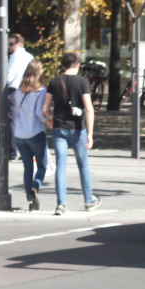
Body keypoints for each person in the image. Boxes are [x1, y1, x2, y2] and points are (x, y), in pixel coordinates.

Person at [44, 51, 99, 215]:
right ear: (78, 65)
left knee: (61, 166)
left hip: (59, 129)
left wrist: (51, 119)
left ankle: (61, 204)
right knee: (83, 165)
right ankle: (89, 200)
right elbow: (88, 108)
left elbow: (45, 109)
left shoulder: (54, 82)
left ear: (62, 66)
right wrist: (90, 133)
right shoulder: (83, 82)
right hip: (78, 129)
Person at [10, 59, 48, 212]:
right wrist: (49, 120)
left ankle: (31, 201)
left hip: (19, 134)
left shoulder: (19, 90)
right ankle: (35, 187)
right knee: (42, 165)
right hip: (35, 133)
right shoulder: (41, 91)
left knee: (27, 168)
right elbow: (40, 113)